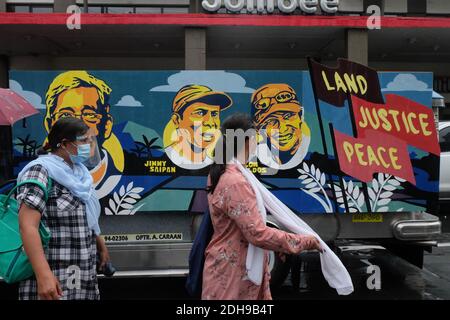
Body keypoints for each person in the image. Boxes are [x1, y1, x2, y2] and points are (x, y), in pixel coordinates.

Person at [202, 113, 322, 300]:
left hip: (229, 272)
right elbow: (257, 234)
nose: (258, 145)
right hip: (234, 281)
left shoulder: (224, 171)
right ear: (247, 141)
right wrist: (304, 241)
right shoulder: (236, 181)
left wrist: (276, 247)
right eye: (256, 139)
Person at [17, 117, 110, 300]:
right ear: (65, 144)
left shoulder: (79, 172)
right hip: (54, 275)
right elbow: (28, 226)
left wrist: (99, 242)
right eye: (84, 140)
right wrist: (43, 276)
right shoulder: (40, 171)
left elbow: (85, 215)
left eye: (91, 140)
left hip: (81, 271)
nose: (89, 145)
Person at [43, 71, 123, 198]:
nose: (78, 124)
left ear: (107, 125)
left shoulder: (82, 174)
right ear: (49, 125)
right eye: (66, 115)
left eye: (90, 114)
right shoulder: (42, 174)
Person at [163, 84, 232, 170]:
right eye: (200, 113)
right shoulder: (163, 160)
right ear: (176, 120)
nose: (210, 123)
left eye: (214, 114)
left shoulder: (218, 165)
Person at [251, 84, 311, 170]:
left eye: (288, 116)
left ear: (301, 115)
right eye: (271, 121)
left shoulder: (320, 160)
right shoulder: (250, 160)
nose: (282, 129)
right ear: (258, 129)